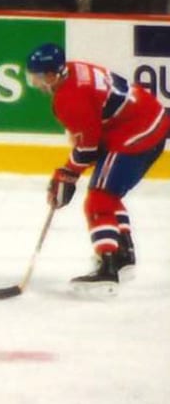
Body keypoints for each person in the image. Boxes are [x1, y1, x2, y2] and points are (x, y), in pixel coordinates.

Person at [24, 43, 167, 292]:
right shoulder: (72, 71)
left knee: (99, 200)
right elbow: (91, 135)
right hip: (147, 121)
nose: (35, 83)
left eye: (38, 76)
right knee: (108, 195)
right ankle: (123, 255)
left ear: (52, 75)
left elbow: (89, 149)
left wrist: (67, 173)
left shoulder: (69, 99)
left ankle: (108, 270)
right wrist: (69, 172)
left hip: (136, 132)